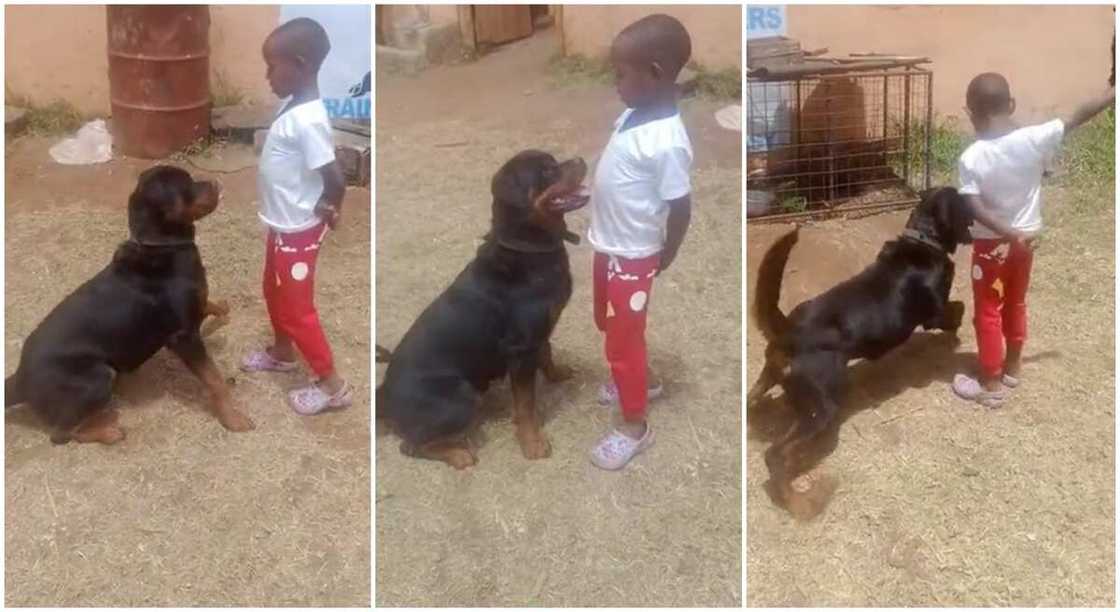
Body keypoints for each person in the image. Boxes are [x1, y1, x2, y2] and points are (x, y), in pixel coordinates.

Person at [951, 72, 1114, 407]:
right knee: (1015, 301)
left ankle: (991, 382)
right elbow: (1079, 114)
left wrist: (1005, 232)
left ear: (970, 113)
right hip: (1026, 243)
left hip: (990, 248)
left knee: (988, 309)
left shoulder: (972, 157)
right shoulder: (1034, 139)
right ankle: (1012, 367)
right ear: (1010, 105)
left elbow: (973, 206)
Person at [586, 14, 694, 469]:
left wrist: (666, 252)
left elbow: (681, 205)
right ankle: (639, 380)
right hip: (608, 247)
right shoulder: (633, 114)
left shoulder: (667, 141)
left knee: (622, 343)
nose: (615, 82)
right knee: (606, 324)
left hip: (633, 258)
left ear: (654, 72)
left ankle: (634, 425)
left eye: (622, 73)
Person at [241, 17, 352, 415]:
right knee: (273, 291)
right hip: (282, 226)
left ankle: (333, 386)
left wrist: (330, 205)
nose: (268, 75)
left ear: (301, 64)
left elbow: (335, 176)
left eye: (274, 66)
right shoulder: (296, 108)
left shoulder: (308, 121)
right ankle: (282, 352)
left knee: (297, 309)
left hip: (299, 233)